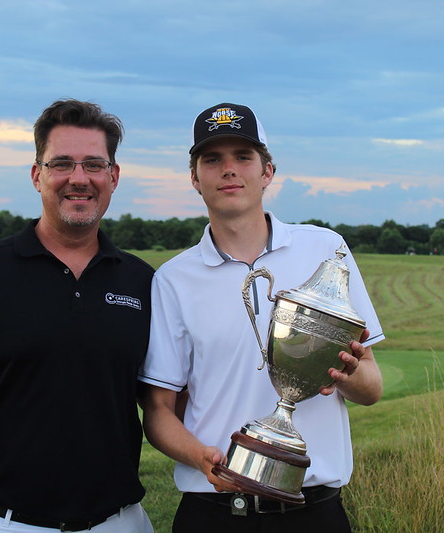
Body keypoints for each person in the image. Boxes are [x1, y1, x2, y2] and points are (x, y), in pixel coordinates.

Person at [0, 99, 155, 533]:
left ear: (113, 176)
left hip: (121, 521)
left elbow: (171, 403)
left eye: (94, 164)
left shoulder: (143, 283)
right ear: (38, 175)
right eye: (62, 164)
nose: (79, 178)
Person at [139, 103, 384, 532]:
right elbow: (158, 411)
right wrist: (202, 457)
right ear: (195, 178)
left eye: (243, 157)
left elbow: (371, 389)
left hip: (316, 513)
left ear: (267, 171)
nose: (228, 170)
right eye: (212, 159)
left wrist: (347, 375)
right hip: (214, 512)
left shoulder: (327, 249)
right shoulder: (173, 280)